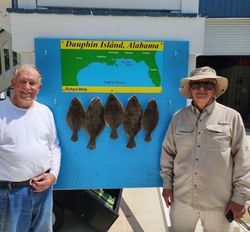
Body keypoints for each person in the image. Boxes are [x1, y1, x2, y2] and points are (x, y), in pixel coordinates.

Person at [160, 66, 250, 232]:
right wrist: (167, 185)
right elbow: (168, 154)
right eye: (196, 85)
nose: (201, 89)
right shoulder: (178, 118)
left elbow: (243, 161)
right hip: (183, 202)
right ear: (190, 89)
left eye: (208, 84)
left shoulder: (232, 118)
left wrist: (239, 198)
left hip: (219, 204)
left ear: (215, 89)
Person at [0, 64, 61, 232]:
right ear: (13, 83)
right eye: (22, 82)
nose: (27, 87)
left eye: (32, 83)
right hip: (11, 195)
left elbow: (54, 146)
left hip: (43, 191)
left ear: (39, 87)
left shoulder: (45, 112)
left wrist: (53, 175)